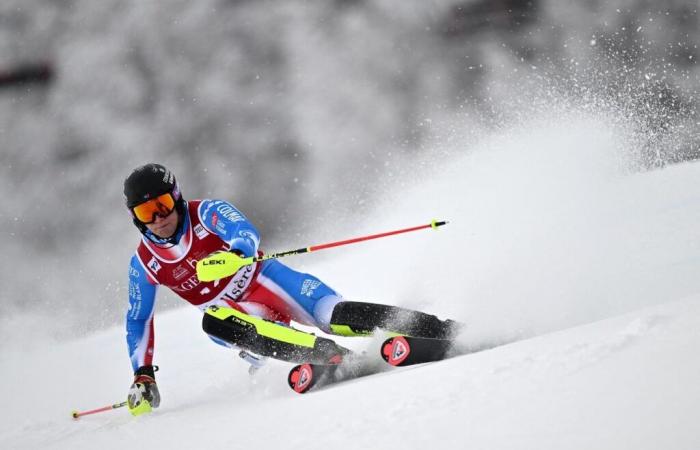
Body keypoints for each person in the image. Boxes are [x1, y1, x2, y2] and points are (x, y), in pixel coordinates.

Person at [124, 163, 458, 415]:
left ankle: (439, 329)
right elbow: (139, 320)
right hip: (241, 317)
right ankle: (327, 355)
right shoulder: (143, 264)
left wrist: (236, 254)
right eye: (146, 212)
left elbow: (244, 230)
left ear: (177, 197)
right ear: (136, 218)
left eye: (163, 205)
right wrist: (143, 374)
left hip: (266, 280)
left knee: (333, 314)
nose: (158, 218)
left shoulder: (206, 212)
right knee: (214, 321)